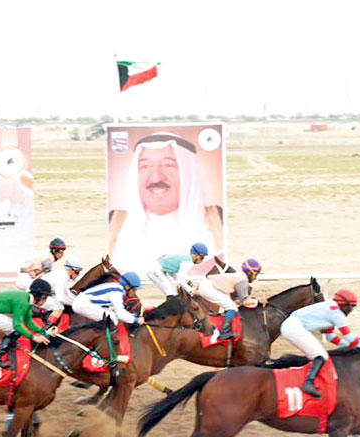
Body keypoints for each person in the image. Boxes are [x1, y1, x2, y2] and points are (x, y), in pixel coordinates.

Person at [108, 133, 223, 272]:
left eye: (169, 165)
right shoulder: (114, 221)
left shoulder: (217, 220)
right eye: (145, 166)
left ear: (188, 173)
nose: (156, 177)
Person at [280, 288, 360, 399]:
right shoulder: (336, 313)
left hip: (291, 326)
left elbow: (331, 337)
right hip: (294, 327)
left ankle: (309, 380)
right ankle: (308, 383)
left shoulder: (330, 308)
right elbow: (349, 337)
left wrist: (349, 346)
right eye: (351, 307)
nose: (351, 310)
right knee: (320, 355)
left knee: (319, 354)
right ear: (345, 305)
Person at [0, 279, 53, 367]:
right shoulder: (24, 301)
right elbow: (17, 326)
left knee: (15, 329)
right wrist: (33, 337)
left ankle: (9, 345)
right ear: (41, 296)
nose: (45, 301)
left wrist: (44, 332)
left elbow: (28, 322)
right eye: (45, 298)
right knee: (15, 329)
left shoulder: (27, 300)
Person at [196, 258, 262, 341]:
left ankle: (221, 325)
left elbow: (240, 301)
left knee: (231, 305)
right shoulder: (243, 280)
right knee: (231, 307)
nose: (255, 278)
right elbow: (245, 301)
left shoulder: (240, 276)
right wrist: (258, 301)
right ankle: (225, 332)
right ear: (250, 273)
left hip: (208, 285)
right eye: (256, 274)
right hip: (209, 287)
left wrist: (240, 302)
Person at [72, 271, 145, 326]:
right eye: (134, 289)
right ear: (127, 286)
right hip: (82, 304)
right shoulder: (117, 292)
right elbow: (120, 314)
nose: (134, 292)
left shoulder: (117, 288)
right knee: (113, 319)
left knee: (113, 316)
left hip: (84, 303)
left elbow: (119, 311)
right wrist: (136, 320)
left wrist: (134, 317)